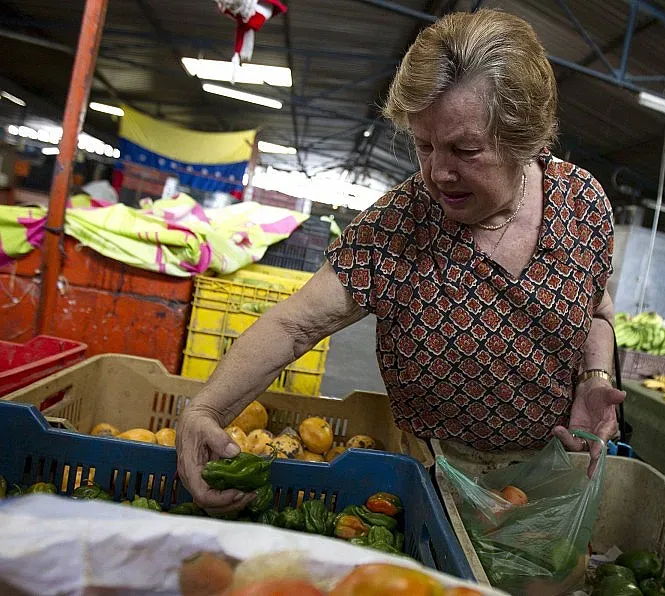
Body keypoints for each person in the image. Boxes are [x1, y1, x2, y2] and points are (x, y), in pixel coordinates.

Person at [176, 8, 625, 514]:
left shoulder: (582, 204)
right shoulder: (399, 225)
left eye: (465, 150)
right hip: (430, 481)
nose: (438, 172)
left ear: (525, 140)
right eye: (423, 144)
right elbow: (295, 326)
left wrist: (595, 378)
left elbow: (596, 307)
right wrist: (207, 408)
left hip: (550, 472)